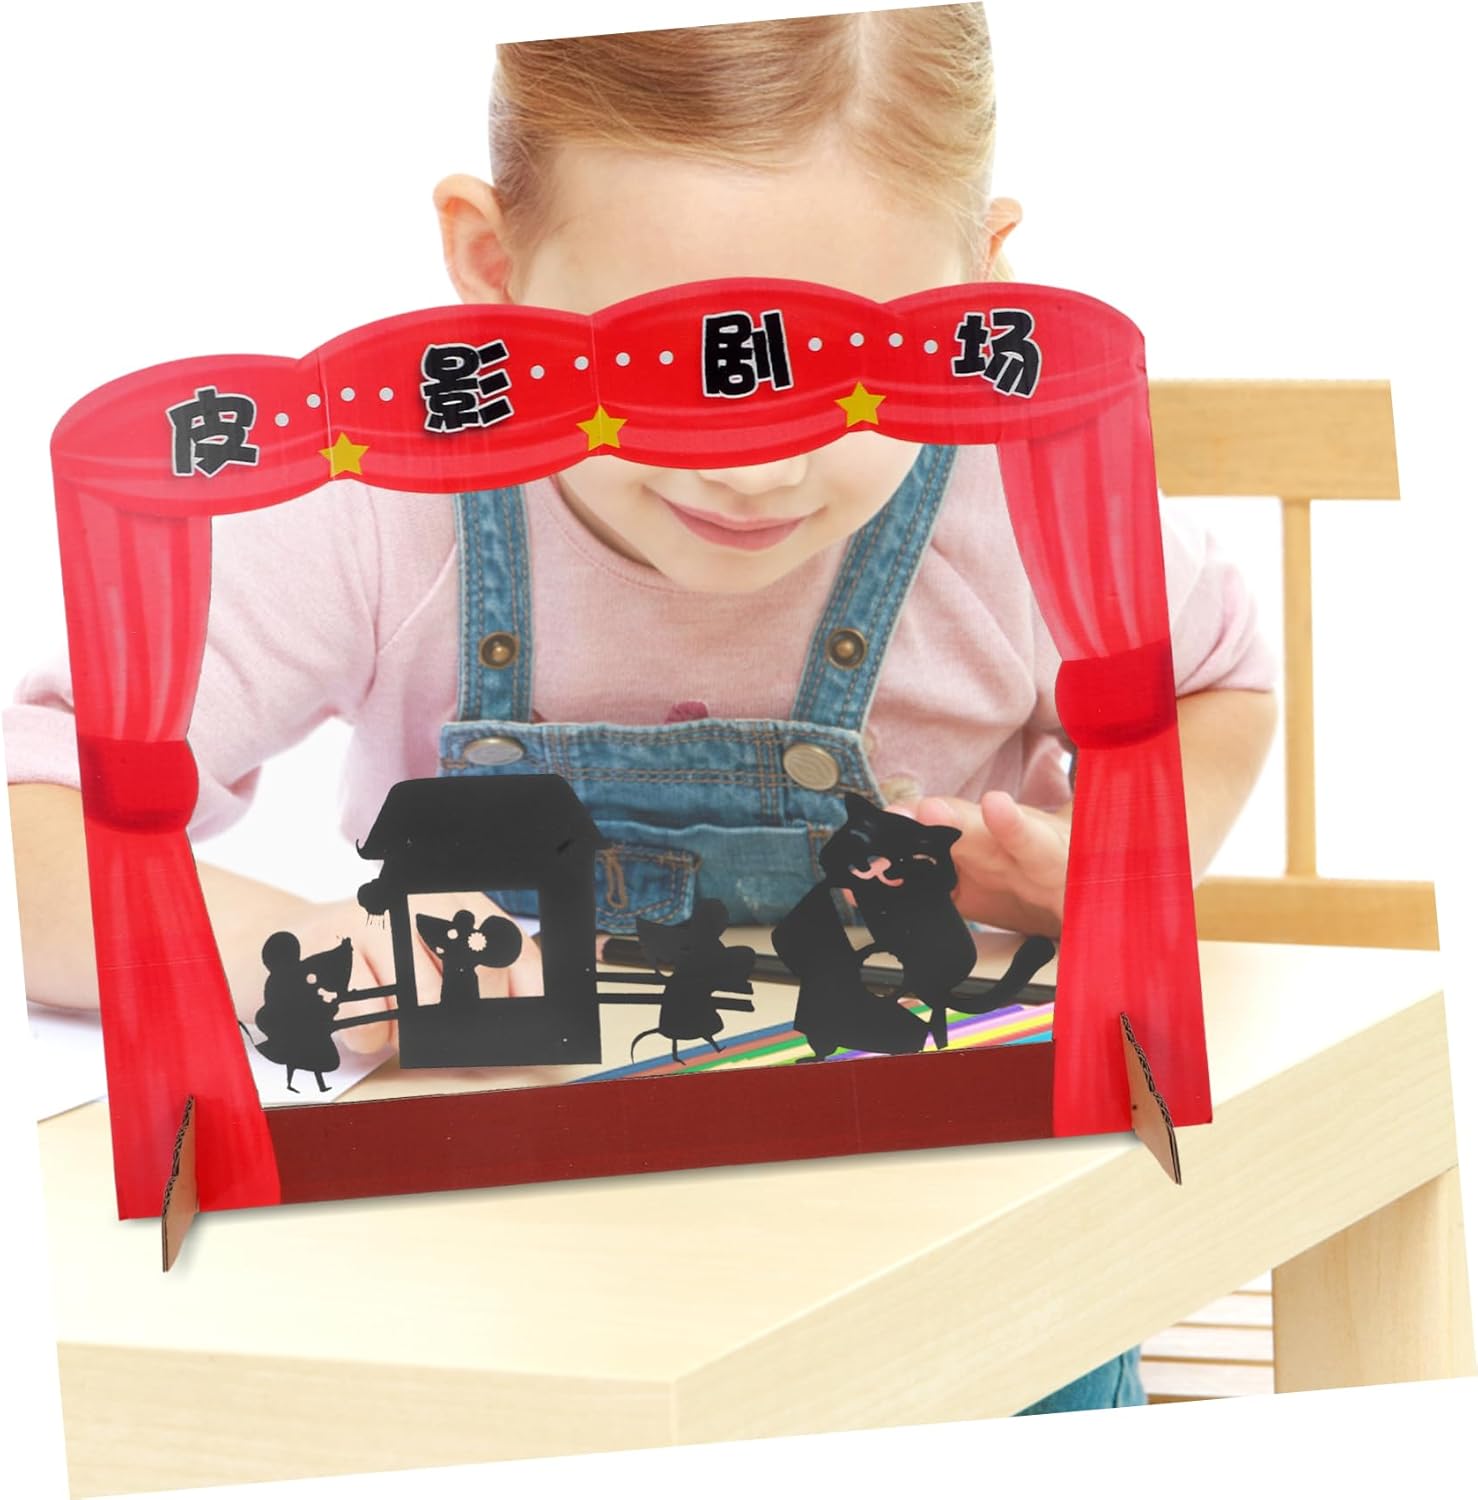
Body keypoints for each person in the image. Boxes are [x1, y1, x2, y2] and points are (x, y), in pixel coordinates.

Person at [3, 5, 1277, 1413]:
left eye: (842, 380)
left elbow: (1219, 679)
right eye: (664, 371)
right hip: (512, 1271)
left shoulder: (1013, 507)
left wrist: (1118, 859)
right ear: (496, 271)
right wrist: (316, 959)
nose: (755, 469)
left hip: (958, 1259)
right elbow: (39, 839)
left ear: (977, 286)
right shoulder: (387, 502)